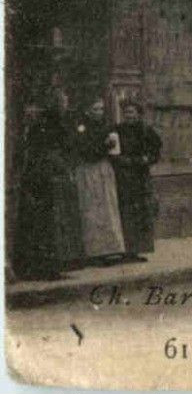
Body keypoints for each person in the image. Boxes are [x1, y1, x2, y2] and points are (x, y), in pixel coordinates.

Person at [12, 91, 84, 280]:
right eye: (64, 102)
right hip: (44, 179)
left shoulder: (49, 124)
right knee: (45, 222)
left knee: (44, 222)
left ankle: (44, 266)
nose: (66, 105)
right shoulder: (51, 124)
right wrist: (63, 168)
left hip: (40, 177)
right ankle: (44, 267)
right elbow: (53, 150)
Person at [71, 96, 126, 265]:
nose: (99, 113)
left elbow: (114, 151)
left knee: (107, 208)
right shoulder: (81, 127)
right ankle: (93, 252)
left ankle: (109, 250)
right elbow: (85, 150)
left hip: (103, 170)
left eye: (101, 109)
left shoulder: (105, 126)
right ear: (87, 110)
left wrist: (110, 147)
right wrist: (104, 146)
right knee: (91, 209)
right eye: (95, 109)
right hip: (88, 171)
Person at [111, 98, 162, 261]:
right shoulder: (117, 130)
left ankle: (137, 250)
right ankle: (124, 249)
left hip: (140, 177)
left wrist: (146, 160)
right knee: (124, 212)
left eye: (132, 112)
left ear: (138, 114)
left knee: (140, 213)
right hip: (123, 176)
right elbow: (113, 152)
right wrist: (120, 161)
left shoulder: (146, 131)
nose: (128, 116)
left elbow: (155, 151)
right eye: (126, 113)